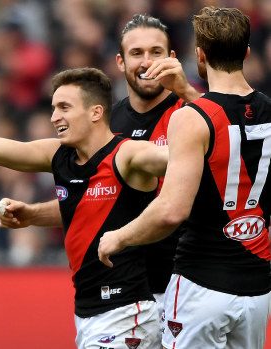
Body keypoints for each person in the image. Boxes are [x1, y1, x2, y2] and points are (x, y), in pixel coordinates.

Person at [0, 44, 168, 348]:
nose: (54, 117)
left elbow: (184, 158)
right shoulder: (59, 155)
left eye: (64, 107)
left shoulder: (128, 154)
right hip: (88, 314)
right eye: (53, 108)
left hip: (127, 311)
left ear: (96, 112)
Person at [0, 14, 201, 315]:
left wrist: (188, 93)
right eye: (136, 53)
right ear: (120, 62)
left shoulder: (195, 112)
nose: (147, 62)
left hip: (190, 284)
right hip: (130, 296)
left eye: (156, 52)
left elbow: (227, 153)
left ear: (172, 57)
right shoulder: (104, 124)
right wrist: (34, 214)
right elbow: (94, 198)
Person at [97, 7, 271, 349]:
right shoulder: (268, 110)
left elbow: (171, 211)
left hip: (201, 282)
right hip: (257, 288)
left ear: (199, 56)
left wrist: (118, 237)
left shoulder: (189, 118)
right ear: (247, 53)